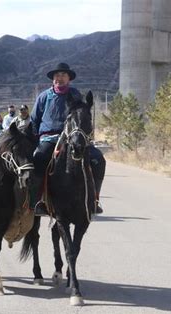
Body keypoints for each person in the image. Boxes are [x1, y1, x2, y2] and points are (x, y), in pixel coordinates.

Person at [30, 62, 105, 216]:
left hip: (74, 137)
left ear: (69, 78)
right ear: (53, 79)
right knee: (38, 157)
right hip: (49, 138)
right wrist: (34, 140)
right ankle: (38, 200)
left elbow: (83, 117)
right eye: (57, 75)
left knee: (98, 159)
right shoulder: (44, 97)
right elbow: (34, 120)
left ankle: (94, 200)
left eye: (63, 75)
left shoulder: (76, 95)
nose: (60, 78)